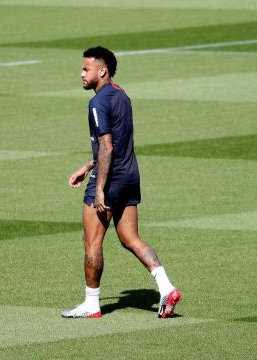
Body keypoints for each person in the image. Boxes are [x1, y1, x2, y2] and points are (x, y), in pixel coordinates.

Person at [61, 46, 181, 319]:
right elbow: (117, 143)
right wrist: (87, 165)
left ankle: (92, 304)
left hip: (110, 179)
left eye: (85, 69)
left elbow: (107, 147)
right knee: (130, 238)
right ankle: (167, 287)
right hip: (129, 177)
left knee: (92, 242)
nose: (81, 74)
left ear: (101, 71)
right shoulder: (122, 96)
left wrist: (99, 187)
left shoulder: (97, 103)